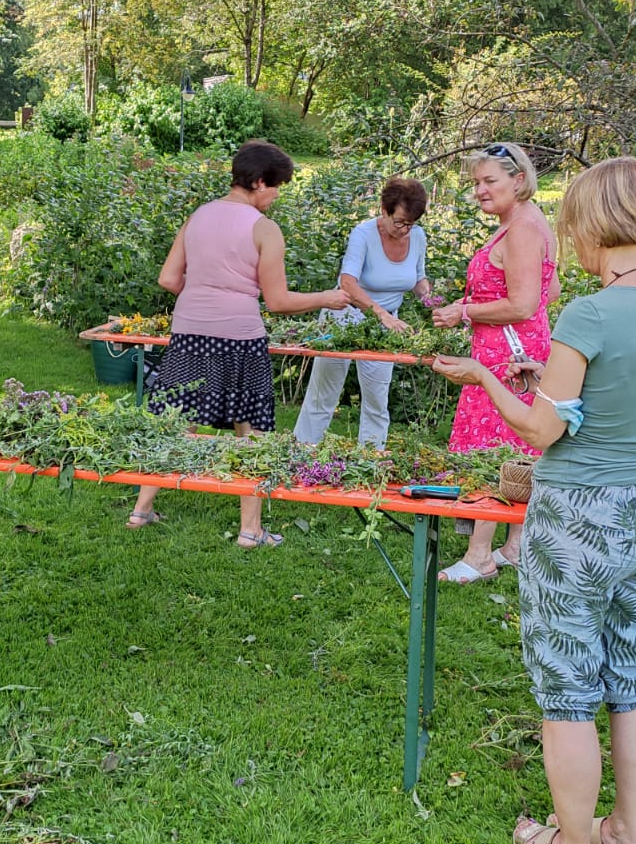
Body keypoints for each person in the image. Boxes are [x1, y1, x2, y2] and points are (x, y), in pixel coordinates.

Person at [431, 157, 636, 844]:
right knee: (632, 675)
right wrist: (544, 376)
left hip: (582, 513)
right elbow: (618, 400)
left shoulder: (591, 313)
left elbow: (544, 431)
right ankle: (628, 840)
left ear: (593, 223)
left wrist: (484, 376)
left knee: (568, 692)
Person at [127, 139, 348, 547]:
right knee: (252, 431)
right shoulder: (264, 229)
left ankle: (140, 511)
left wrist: (205, 299)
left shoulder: (199, 216)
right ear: (260, 182)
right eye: (277, 186)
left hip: (189, 332)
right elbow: (278, 301)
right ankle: (250, 531)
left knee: (177, 422)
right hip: (240, 339)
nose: (277, 196)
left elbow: (169, 280)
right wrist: (326, 298)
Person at [431, 142, 558, 583]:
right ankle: (516, 546)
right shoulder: (530, 221)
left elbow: (523, 303)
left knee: (493, 446)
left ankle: (480, 554)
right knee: (518, 444)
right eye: (476, 183)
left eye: (489, 181)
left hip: (506, 356)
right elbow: (549, 294)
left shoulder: (521, 229)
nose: (480, 191)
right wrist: (477, 306)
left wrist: (465, 311)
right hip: (522, 346)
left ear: (518, 180)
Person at [293, 176, 432, 448]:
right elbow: (347, 283)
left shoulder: (417, 236)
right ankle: (300, 455)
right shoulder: (364, 234)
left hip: (385, 324)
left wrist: (431, 301)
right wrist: (381, 315)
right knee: (323, 397)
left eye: (411, 223)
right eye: (400, 222)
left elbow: (418, 279)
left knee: (377, 400)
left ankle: (370, 463)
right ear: (384, 210)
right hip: (344, 316)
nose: (405, 230)